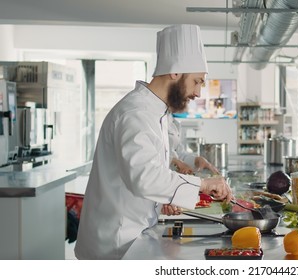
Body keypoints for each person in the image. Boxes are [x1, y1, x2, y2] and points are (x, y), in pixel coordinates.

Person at [74, 24, 233, 260]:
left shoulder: (156, 112)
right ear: (176, 73)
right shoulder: (135, 113)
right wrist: (203, 184)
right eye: (197, 81)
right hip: (115, 243)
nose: (198, 92)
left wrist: (160, 203)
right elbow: (144, 178)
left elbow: (152, 170)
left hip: (133, 233)